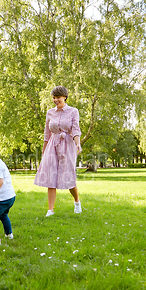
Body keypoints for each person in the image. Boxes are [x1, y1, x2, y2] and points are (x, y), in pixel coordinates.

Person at [34, 86, 82, 217]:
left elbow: (76, 130)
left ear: (64, 97)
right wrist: (44, 153)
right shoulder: (50, 112)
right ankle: (50, 209)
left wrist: (78, 144)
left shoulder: (73, 111)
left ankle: (77, 201)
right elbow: (46, 134)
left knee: (69, 177)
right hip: (52, 145)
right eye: (53, 97)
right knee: (51, 177)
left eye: (57, 97)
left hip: (68, 145)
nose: (55, 100)